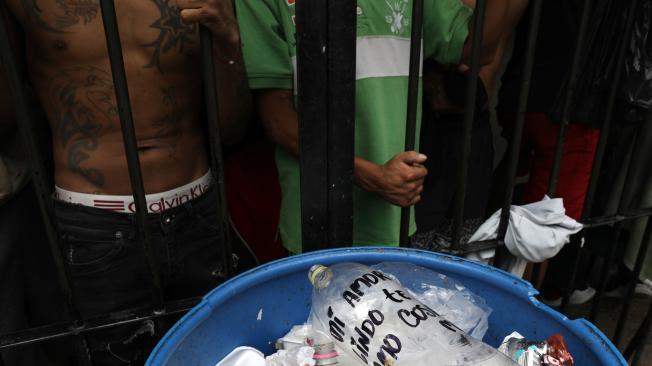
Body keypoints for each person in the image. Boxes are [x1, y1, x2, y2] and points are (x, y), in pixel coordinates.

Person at [1, 0, 250, 363]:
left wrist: (228, 40)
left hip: (198, 209)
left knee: (218, 355)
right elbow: (8, 117)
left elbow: (231, 128)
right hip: (95, 224)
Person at [235, 0, 508, 254]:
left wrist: (382, 179)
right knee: (319, 300)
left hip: (393, 216)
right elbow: (277, 119)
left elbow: (476, 49)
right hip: (314, 217)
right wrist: (372, 176)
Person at [413, 0, 528, 251]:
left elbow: (482, 51)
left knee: (456, 247)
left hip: (469, 122)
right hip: (427, 119)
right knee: (413, 247)